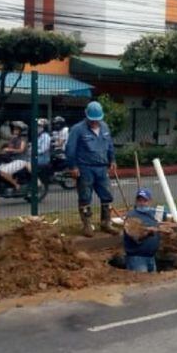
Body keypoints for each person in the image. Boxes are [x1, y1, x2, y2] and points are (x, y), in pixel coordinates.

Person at [65, 101, 117, 236]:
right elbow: (70, 149)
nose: (94, 122)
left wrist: (112, 160)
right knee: (85, 196)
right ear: (86, 116)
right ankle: (87, 225)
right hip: (85, 168)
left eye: (97, 120)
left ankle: (106, 222)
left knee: (107, 195)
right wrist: (73, 166)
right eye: (92, 120)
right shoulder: (77, 129)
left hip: (102, 168)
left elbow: (110, 145)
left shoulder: (105, 127)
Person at [123, 188, 162, 273]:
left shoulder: (153, 215)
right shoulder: (132, 216)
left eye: (145, 200)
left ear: (150, 201)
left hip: (151, 257)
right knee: (141, 280)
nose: (142, 203)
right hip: (137, 259)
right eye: (139, 200)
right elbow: (135, 237)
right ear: (136, 201)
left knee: (153, 280)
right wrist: (148, 234)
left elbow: (160, 225)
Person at [0, 121, 29, 191]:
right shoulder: (13, 138)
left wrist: (9, 150)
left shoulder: (23, 139)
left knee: (2, 172)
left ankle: (16, 185)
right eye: (14, 129)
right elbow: (7, 147)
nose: (14, 130)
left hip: (21, 160)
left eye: (17, 129)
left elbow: (21, 150)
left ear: (21, 131)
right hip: (12, 160)